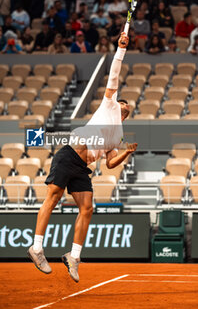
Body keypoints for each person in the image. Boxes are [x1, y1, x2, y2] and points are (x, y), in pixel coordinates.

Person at [27, 32, 137, 282]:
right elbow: (115, 74)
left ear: (127, 113)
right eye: (122, 101)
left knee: (87, 208)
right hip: (69, 156)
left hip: (83, 168)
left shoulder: (118, 135)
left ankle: (74, 257)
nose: (124, 103)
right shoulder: (108, 105)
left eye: (127, 104)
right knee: (52, 199)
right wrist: (120, 50)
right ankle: (36, 248)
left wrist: (126, 154)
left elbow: (109, 164)